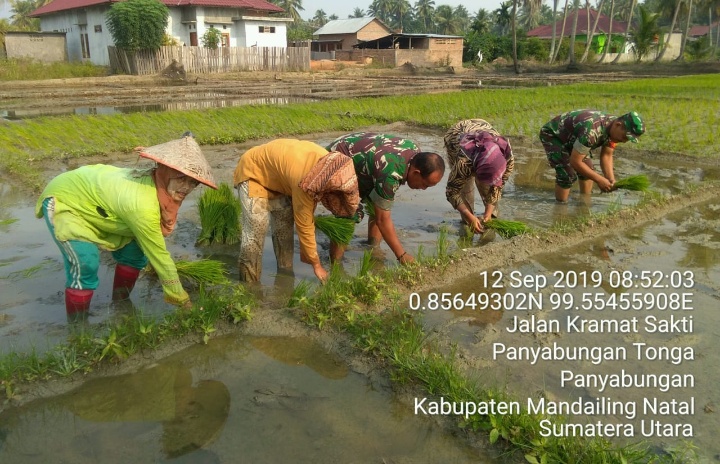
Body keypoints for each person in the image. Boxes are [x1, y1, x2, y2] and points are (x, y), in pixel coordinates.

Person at [35, 132, 216, 320]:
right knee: (86, 262)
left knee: (135, 254)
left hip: (100, 204)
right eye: (180, 178)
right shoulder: (142, 205)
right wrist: (183, 301)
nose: (186, 187)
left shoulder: (159, 189)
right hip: (69, 200)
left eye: (193, 182)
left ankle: (120, 305)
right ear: (165, 172)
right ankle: (78, 330)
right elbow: (160, 256)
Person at [233, 138, 359, 283]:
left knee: (284, 228)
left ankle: (285, 276)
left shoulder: (329, 165)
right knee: (257, 229)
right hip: (254, 172)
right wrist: (316, 265)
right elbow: (304, 225)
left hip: (281, 180)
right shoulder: (306, 181)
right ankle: (249, 284)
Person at [326, 132, 445, 264]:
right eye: (425, 184)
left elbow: (381, 205)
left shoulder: (415, 154)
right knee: (348, 213)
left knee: (376, 203)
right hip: (337, 158)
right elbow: (383, 220)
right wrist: (402, 255)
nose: (423, 189)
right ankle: (335, 264)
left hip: (359, 158)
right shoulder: (390, 173)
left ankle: (372, 248)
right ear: (416, 172)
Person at [539, 110, 645, 202]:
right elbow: (575, 162)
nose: (624, 141)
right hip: (554, 135)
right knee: (567, 175)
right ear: (618, 125)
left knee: (588, 170)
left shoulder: (613, 130)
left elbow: (607, 155)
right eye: (625, 137)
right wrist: (599, 180)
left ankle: (585, 201)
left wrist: (610, 180)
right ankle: (561, 207)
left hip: (575, 137)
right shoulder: (591, 132)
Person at [444, 119, 515, 234]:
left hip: (483, 128)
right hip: (456, 137)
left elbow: (498, 186)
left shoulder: (508, 159)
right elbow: (452, 191)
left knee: (488, 188)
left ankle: (489, 219)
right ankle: (468, 221)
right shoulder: (463, 162)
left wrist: (488, 214)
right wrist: (469, 216)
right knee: (465, 189)